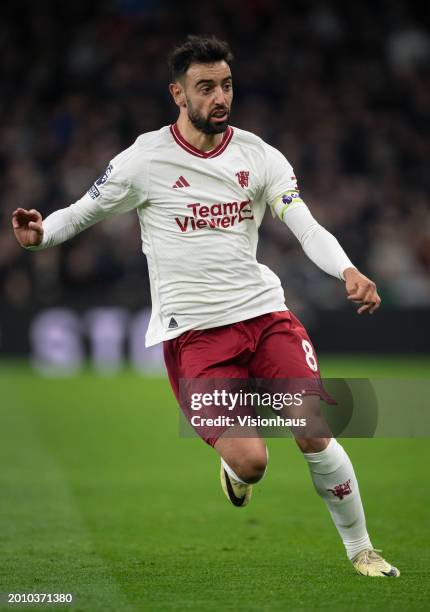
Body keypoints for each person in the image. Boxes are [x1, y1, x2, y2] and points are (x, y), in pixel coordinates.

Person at [12, 35, 398, 577]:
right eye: (206, 87)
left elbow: (304, 223)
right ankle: (235, 472)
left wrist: (348, 270)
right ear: (178, 93)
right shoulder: (144, 159)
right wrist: (40, 236)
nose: (220, 97)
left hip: (265, 317)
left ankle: (362, 550)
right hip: (195, 336)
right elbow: (81, 212)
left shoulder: (259, 155)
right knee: (252, 461)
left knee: (312, 426)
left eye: (227, 85)